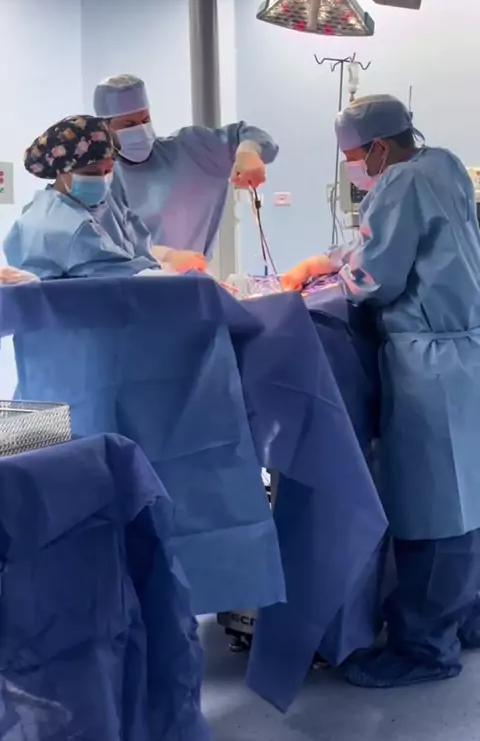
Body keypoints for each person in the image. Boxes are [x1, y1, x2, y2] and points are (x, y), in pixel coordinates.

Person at [282, 94, 480, 688]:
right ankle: (464, 619)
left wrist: (328, 281)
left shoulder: (398, 182)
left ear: (378, 147)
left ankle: (425, 648)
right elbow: (404, 239)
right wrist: (330, 258)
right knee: (467, 496)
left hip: (429, 364)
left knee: (434, 506)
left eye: (352, 156)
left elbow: (376, 277)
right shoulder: (443, 164)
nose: (353, 167)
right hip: (464, 350)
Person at [93, 74, 279, 259]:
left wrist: (249, 151)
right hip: (132, 277)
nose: (141, 129)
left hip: (193, 272)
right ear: (105, 128)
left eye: (145, 119)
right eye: (129, 124)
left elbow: (247, 134)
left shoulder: (190, 151)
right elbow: (106, 249)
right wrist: (167, 258)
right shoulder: (99, 179)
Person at [3, 115, 173, 280]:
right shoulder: (58, 223)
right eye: (91, 172)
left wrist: (160, 268)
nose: (102, 179)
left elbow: (144, 255)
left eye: (108, 170)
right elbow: (118, 278)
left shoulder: (111, 208)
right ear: (63, 170)